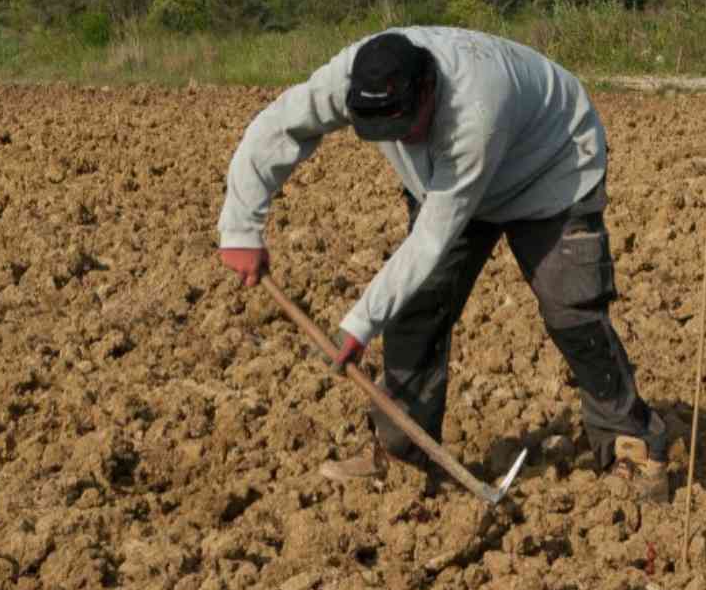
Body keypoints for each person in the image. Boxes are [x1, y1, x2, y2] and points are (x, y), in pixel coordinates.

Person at [217, 27, 669, 502]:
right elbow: (277, 126)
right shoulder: (351, 78)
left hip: (551, 169)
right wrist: (240, 227)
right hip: (447, 181)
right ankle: (401, 457)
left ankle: (634, 445)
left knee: (572, 311)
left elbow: (433, 236)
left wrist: (358, 325)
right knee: (417, 308)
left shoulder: (476, 108)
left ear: (428, 90)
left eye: (405, 127)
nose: (400, 142)